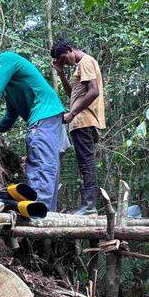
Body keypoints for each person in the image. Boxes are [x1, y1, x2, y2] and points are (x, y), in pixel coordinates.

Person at [0, 47, 67, 212]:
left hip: (44, 116)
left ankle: (41, 209)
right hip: (50, 118)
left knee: (42, 162)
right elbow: (11, 114)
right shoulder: (10, 86)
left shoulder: (6, 59)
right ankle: (47, 210)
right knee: (48, 164)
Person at [51, 38, 106, 216]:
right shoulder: (78, 67)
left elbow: (94, 91)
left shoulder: (86, 61)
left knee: (87, 163)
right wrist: (60, 74)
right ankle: (87, 205)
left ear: (69, 49)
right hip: (79, 123)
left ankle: (89, 206)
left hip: (84, 121)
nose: (65, 63)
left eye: (63, 58)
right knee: (84, 164)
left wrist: (73, 114)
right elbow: (72, 95)